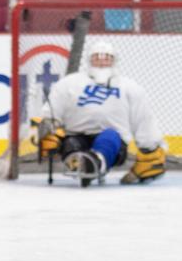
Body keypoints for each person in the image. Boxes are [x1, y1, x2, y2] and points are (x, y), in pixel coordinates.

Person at [37, 40, 167, 186]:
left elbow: (143, 119)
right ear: (89, 59)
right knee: (71, 144)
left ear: (114, 60)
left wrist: (149, 149)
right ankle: (80, 162)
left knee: (109, 136)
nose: (101, 61)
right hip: (75, 134)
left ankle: (94, 162)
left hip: (114, 140)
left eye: (106, 57)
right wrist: (49, 128)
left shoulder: (129, 86)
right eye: (97, 57)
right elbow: (52, 112)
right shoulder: (69, 83)